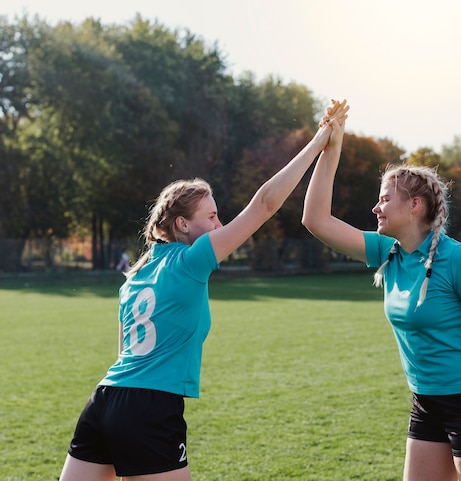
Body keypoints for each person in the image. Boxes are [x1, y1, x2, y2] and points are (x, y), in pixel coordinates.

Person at [59, 99, 350, 481]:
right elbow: (264, 204)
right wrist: (318, 142)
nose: (219, 225)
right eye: (211, 217)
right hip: (149, 407)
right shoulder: (192, 260)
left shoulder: (135, 276)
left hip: (104, 399)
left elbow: (123, 353)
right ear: (182, 224)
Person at [302, 103, 461, 480]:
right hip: (426, 403)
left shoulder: (458, 259)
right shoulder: (387, 252)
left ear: (414, 205)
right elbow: (315, 219)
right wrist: (331, 144)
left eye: (384, 199)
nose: (375, 207)